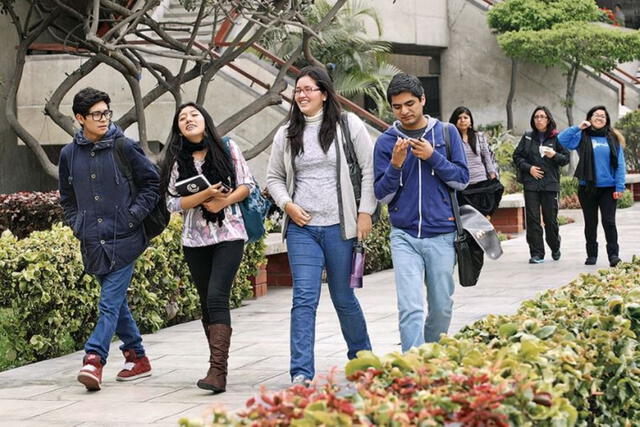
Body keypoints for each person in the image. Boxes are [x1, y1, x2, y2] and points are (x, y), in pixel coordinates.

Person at [266, 66, 375, 384]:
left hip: (340, 227)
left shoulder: (347, 125)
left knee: (344, 297)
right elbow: (273, 177)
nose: (301, 94)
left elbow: (369, 170)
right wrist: (287, 204)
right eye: (297, 90)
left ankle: (362, 359)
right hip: (303, 229)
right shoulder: (286, 132)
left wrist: (365, 212)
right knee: (303, 298)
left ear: (324, 93)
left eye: (308, 89)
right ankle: (301, 372)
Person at [59, 88, 159, 391]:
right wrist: (79, 225)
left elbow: (151, 184)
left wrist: (131, 218)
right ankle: (137, 356)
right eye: (96, 114)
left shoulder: (123, 147)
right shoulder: (68, 154)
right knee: (115, 304)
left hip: (125, 239)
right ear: (80, 118)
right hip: (92, 241)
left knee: (107, 304)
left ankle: (94, 358)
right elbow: (67, 197)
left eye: (106, 113)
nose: (103, 119)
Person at [159, 102, 252, 393]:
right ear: (178, 129)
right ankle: (216, 367)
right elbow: (172, 203)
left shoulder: (227, 147)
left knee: (216, 297)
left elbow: (247, 184)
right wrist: (203, 195)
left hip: (229, 233)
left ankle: (217, 372)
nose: (189, 120)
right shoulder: (175, 160)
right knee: (205, 302)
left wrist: (222, 200)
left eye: (194, 115)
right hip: (194, 240)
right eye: (182, 118)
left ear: (205, 120)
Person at [373, 73, 469, 352]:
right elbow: (383, 195)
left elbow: (461, 179)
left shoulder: (447, 133)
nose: (404, 111)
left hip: (442, 234)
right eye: (397, 106)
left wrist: (432, 156)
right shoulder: (386, 141)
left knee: (441, 307)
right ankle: (412, 365)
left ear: (423, 100)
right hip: (404, 236)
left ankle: (431, 355)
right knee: (410, 307)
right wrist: (396, 165)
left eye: (410, 104)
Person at [558, 105, 626, 267]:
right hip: (587, 187)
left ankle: (613, 255)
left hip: (608, 188)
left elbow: (620, 165)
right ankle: (592, 255)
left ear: (607, 120)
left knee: (609, 222)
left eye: (603, 116)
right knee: (590, 222)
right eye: (596, 115)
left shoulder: (613, 138)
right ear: (589, 118)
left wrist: (619, 187)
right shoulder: (582, 136)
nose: (599, 118)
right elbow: (561, 140)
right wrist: (578, 127)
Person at [513, 107, 570, 264]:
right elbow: (517, 156)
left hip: (550, 184)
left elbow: (566, 158)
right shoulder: (528, 137)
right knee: (533, 219)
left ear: (548, 119)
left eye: (542, 117)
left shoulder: (556, 138)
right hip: (531, 184)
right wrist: (528, 168)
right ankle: (537, 253)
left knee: (550, 220)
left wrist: (554, 155)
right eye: (536, 117)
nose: (539, 119)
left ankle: (555, 245)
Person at [448, 106, 503, 217]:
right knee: (468, 219)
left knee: (484, 217)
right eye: (459, 118)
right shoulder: (450, 139)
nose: (462, 120)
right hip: (463, 186)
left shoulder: (479, 137)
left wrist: (492, 174)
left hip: (481, 183)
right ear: (454, 122)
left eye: (465, 117)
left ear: (470, 121)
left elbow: (486, 156)